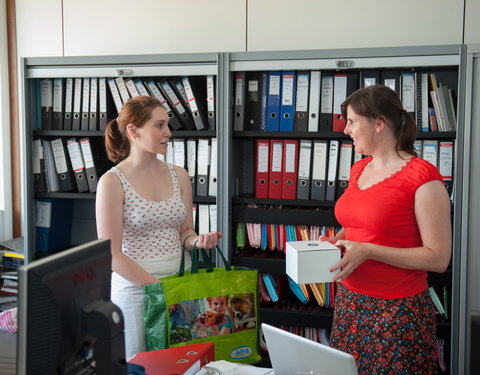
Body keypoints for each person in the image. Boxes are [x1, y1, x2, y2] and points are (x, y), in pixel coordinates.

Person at [323, 84, 452, 374]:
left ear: (379, 123)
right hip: (350, 302)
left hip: (397, 311)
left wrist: (368, 251)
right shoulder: (359, 168)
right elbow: (356, 224)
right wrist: (337, 241)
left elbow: (438, 258)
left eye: (353, 121)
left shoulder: (423, 177)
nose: (346, 129)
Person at [96, 95, 222, 359]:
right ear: (133, 131)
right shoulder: (112, 182)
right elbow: (111, 254)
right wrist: (157, 288)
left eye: (167, 125)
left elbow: (185, 231)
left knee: (183, 360)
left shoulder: (180, 175)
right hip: (136, 291)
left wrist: (199, 241)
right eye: (159, 125)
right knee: (141, 363)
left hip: (181, 284)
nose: (168, 132)